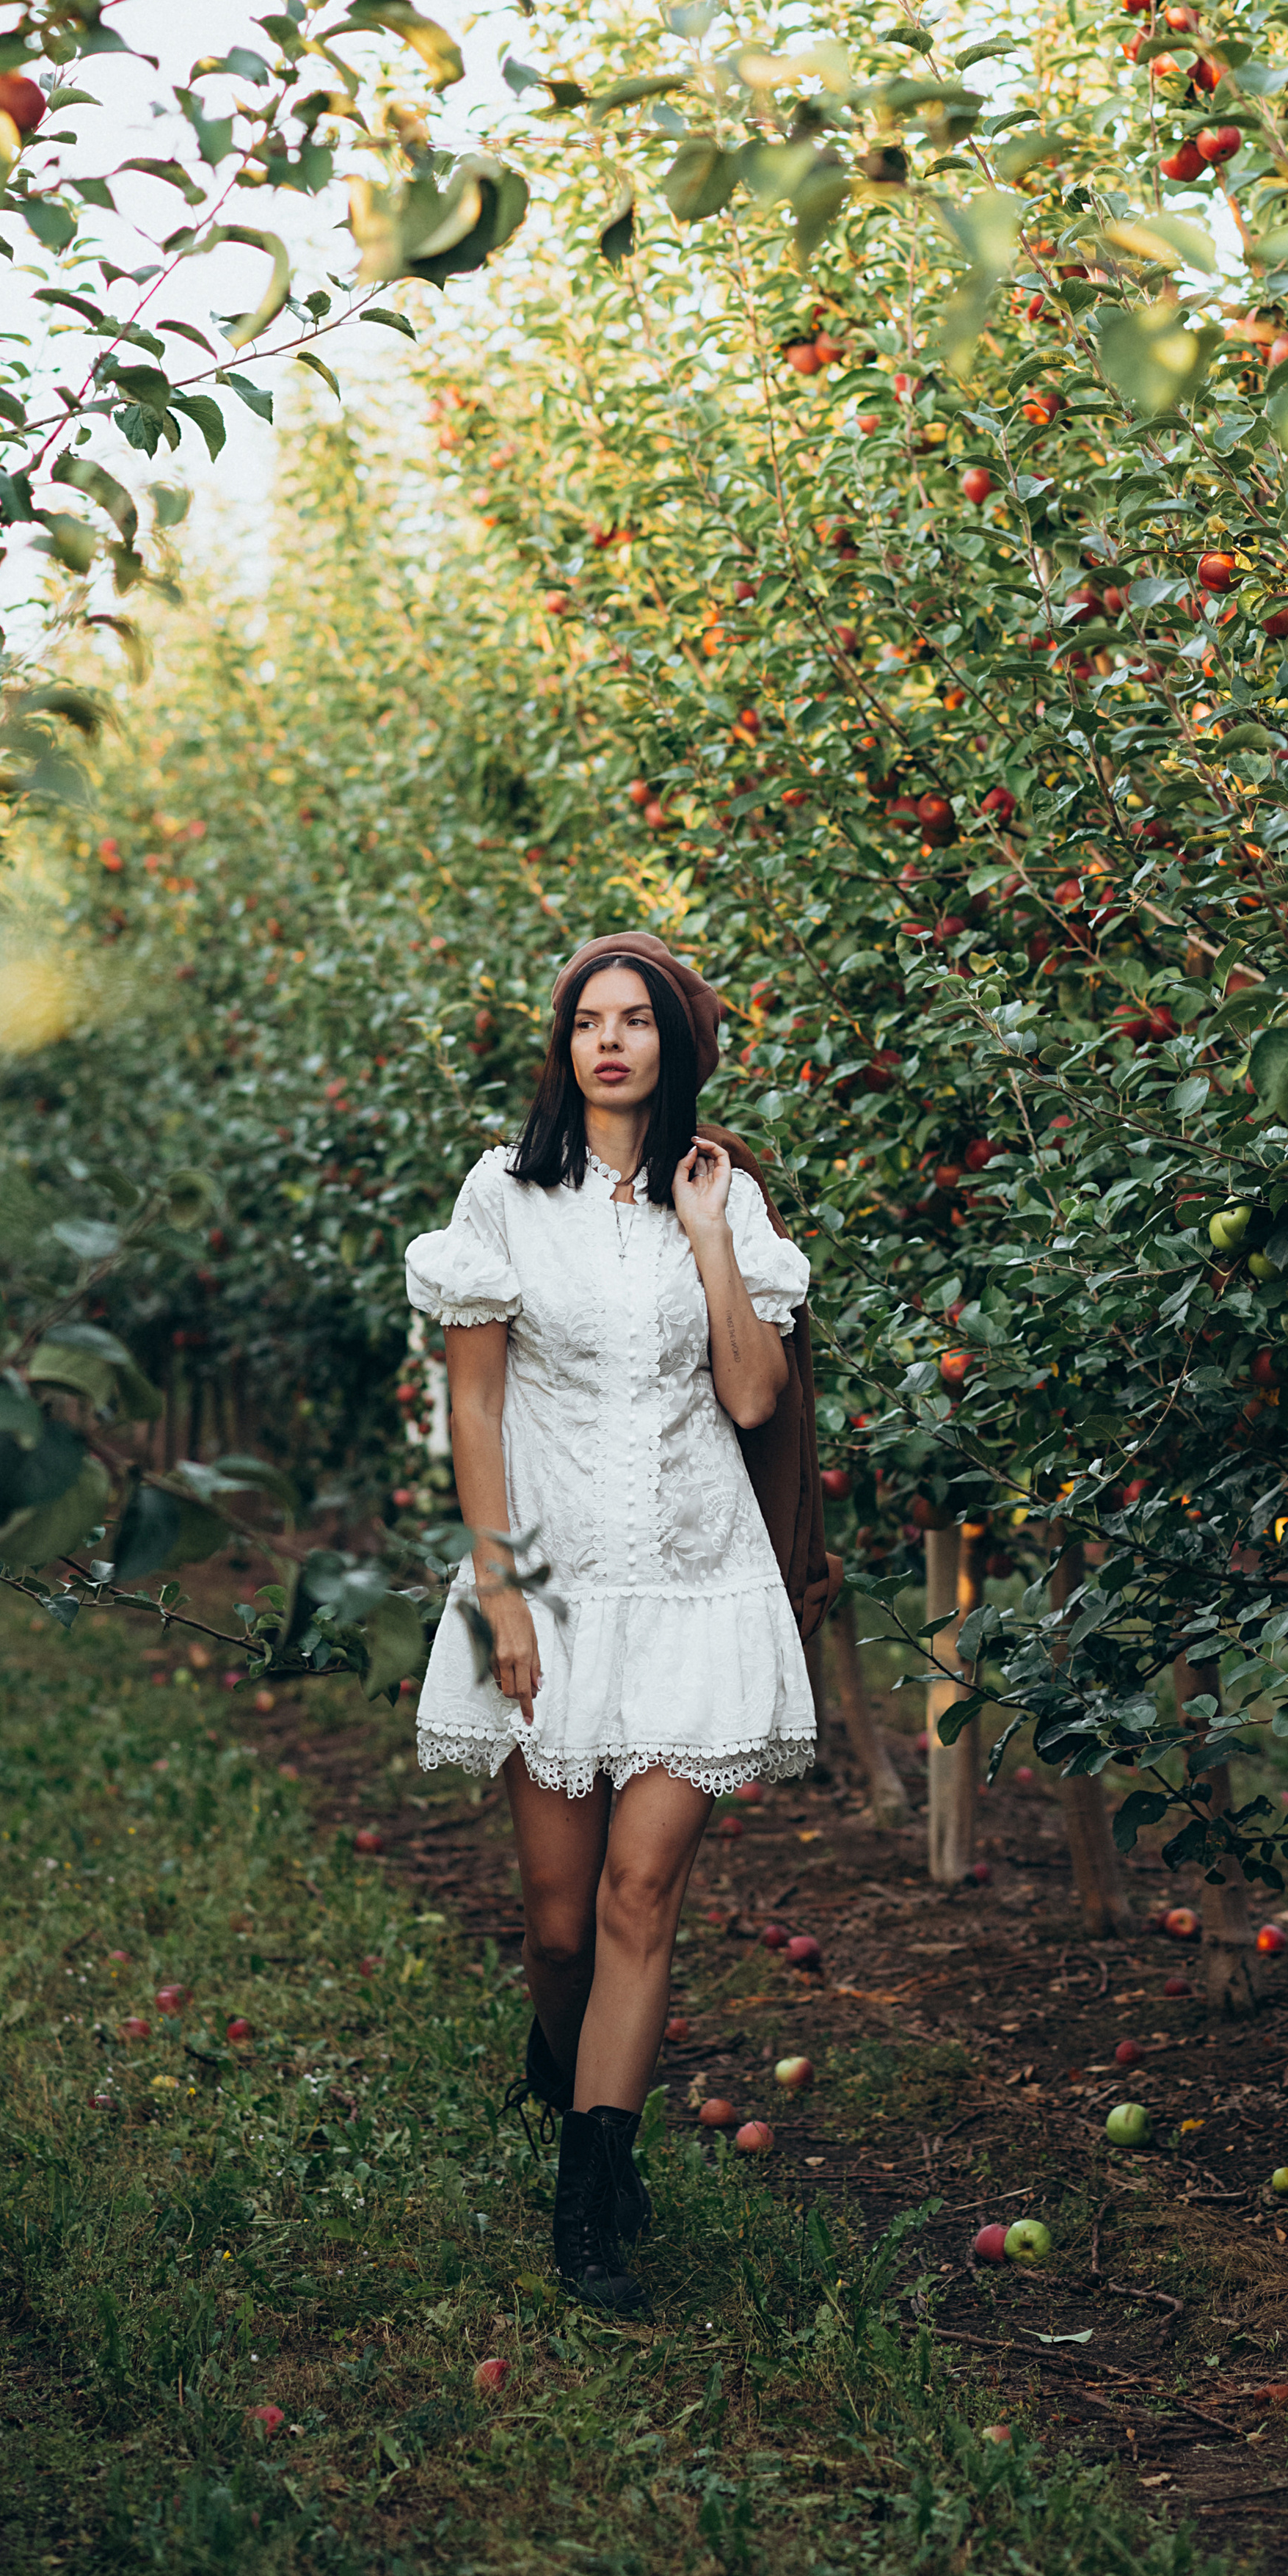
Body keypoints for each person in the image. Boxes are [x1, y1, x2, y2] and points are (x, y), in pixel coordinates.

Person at [404, 933, 817, 2312]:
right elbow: (474, 1407)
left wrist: (708, 1239)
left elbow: (753, 1397)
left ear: (672, 1045)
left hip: (698, 1581)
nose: (613, 1042)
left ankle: (593, 2200)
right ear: (565, 1044)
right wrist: (502, 1589)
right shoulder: (505, 1194)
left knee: (643, 1896)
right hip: (556, 1586)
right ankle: (560, 2054)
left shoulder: (724, 1197)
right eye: (591, 1020)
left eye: (637, 1020)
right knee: (561, 1924)